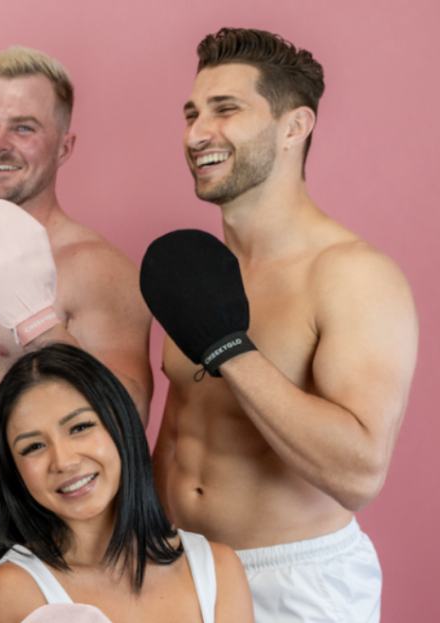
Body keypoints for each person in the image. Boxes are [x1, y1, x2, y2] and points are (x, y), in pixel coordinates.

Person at [147, 28, 418, 623]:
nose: (196, 134)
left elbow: (359, 473)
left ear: (295, 126)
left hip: (297, 582)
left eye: (225, 110)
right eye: (192, 114)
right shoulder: (203, 273)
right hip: (186, 571)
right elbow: (178, 432)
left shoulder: (352, 275)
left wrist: (232, 350)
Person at [0, 46, 153, 562]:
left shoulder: (95, 266)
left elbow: (128, 415)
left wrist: (37, 322)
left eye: (23, 128)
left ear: (64, 147)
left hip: (37, 550)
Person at [0, 344, 253, 623]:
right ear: (12, 470)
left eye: (80, 427)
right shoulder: (14, 588)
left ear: (122, 425)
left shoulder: (218, 569)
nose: (63, 461)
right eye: (34, 446)